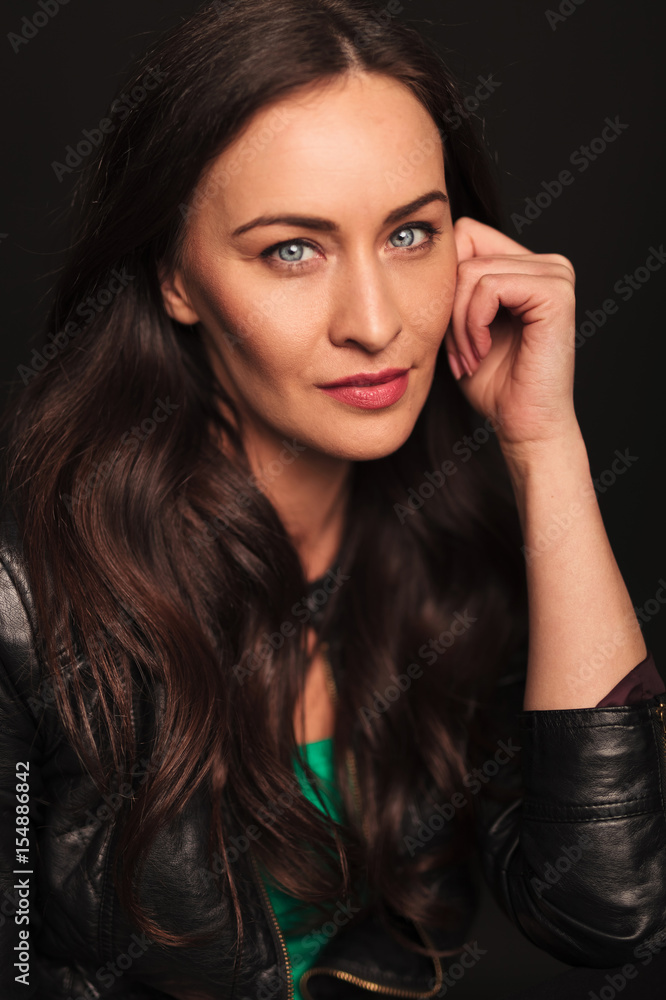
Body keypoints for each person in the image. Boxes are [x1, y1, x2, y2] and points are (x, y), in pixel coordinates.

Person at [1, 1, 665, 998]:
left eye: (409, 234)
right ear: (175, 276)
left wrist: (545, 445)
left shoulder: (456, 541)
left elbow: (612, 910)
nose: (375, 322)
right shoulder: (24, 599)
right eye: (292, 250)